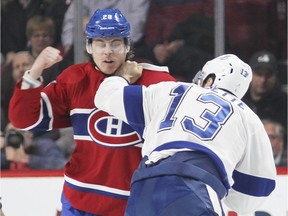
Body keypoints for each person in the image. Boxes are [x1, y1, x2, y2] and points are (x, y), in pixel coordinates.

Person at [8, 8, 176, 215]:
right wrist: (36, 69)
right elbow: (24, 119)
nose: (108, 51)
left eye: (115, 43)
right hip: (79, 198)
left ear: (127, 46)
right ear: (90, 47)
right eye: (100, 43)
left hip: (132, 202)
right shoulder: (76, 80)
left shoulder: (155, 82)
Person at [95, 54, 276, 215]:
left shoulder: (171, 90)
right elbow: (254, 194)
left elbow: (105, 95)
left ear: (210, 79)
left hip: (143, 188)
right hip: (194, 189)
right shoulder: (248, 118)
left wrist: (122, 76)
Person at [61, 0, 150, 55]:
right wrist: (69, 46)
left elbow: (134, 32)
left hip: (125, 50)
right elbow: (71, 21)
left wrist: (95, 26)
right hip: (89, 49)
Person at [242, 50, 287, 131]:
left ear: (276, 76)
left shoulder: (284, 103)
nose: (263, 80)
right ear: (250, 74)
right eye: (259, 74)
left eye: (268, 75)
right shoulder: (239, 98)